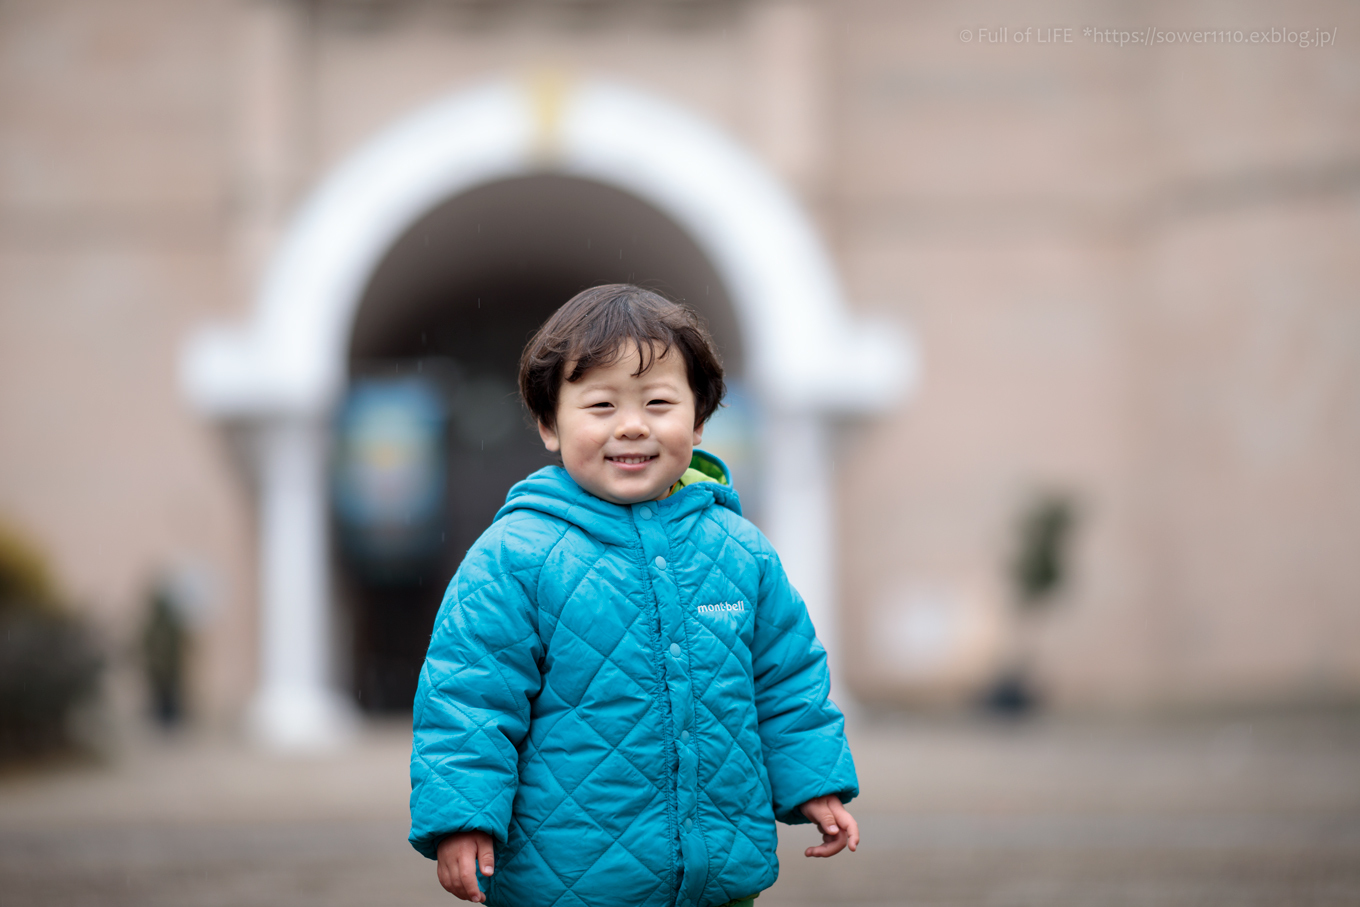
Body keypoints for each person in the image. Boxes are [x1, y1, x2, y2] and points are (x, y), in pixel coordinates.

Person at [409, 284, 859, 907]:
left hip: (718, 878)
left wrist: (815, 781)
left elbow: (785, 681)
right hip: (570, 881)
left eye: (658, 402)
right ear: (549, 424)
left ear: (698, 420)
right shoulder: (515, 555)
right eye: (599, 405)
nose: (631, 425)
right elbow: (468, 696)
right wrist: (462, 816)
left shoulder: (740, 549)